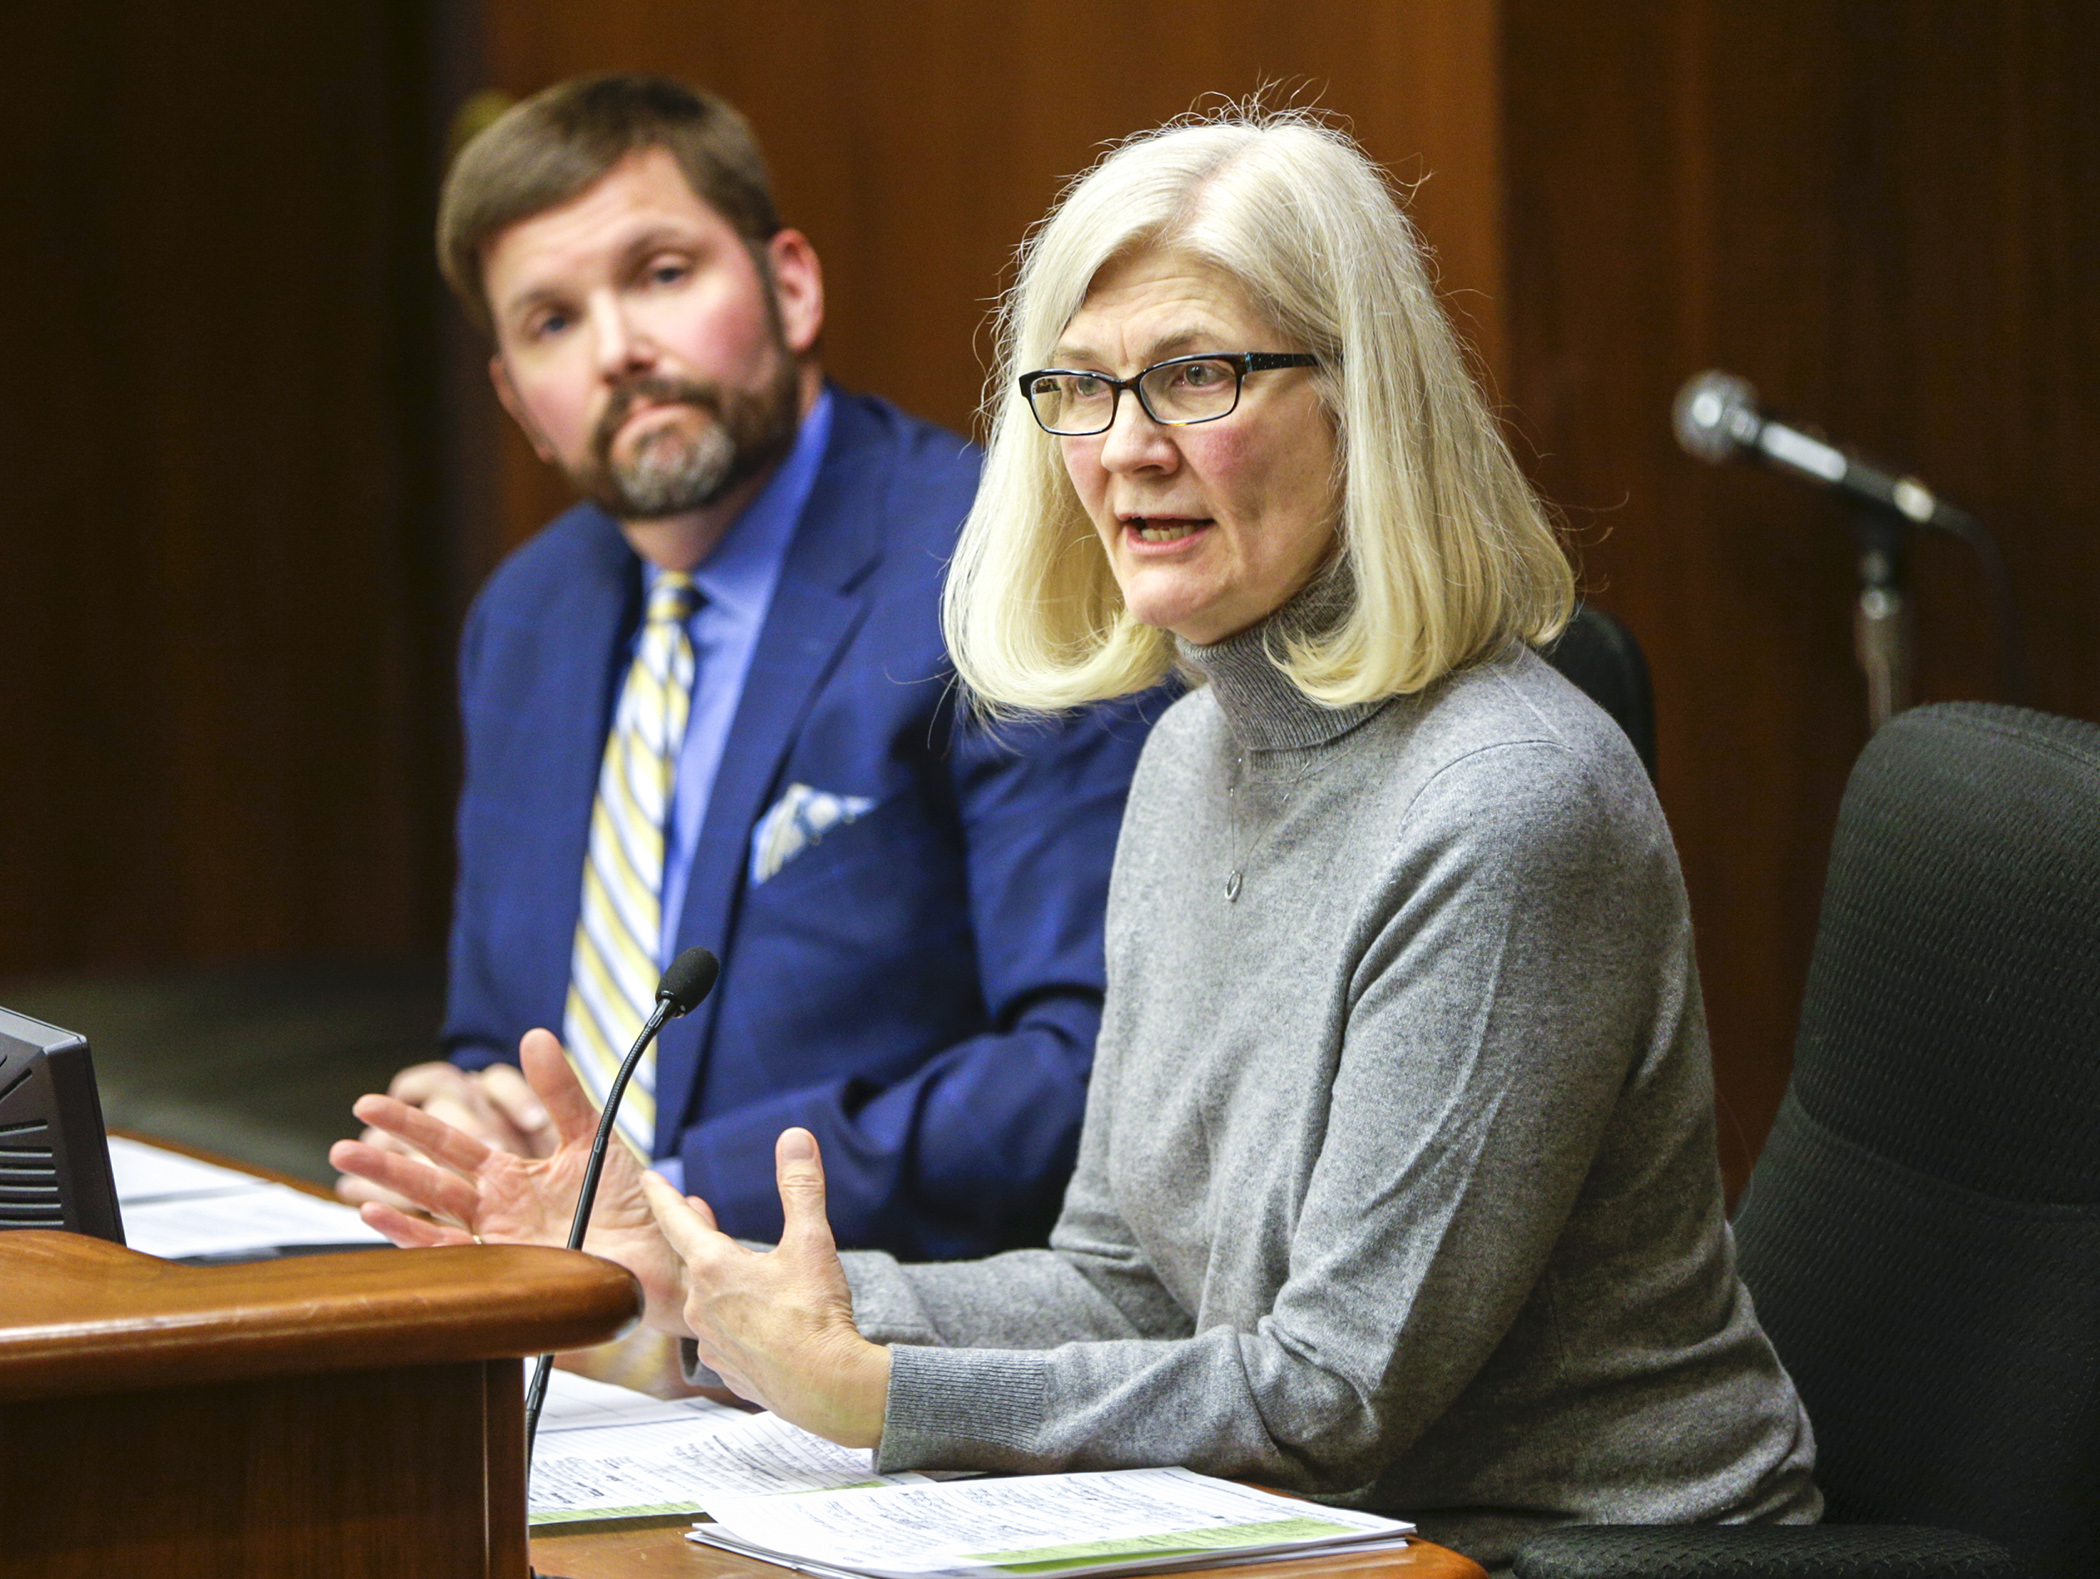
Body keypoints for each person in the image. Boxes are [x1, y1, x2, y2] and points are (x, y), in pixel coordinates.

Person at [335, 108, 1820, 1571]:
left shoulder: (1507, 798)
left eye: (1196, 376)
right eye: (1081, 390)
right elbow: (1119, 1276)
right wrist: (713, 1301)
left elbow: (1336, 1391)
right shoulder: (1188, 748)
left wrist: (882, 1390)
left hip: (1569, 1545)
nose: (1125, 449)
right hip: (1301, 1526)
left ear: (1366, 399)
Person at [337, 75, 1153, 1260]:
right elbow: (500, 1028)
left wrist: (667, 1205)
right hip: (568, 1326)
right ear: (520, 402)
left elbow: (1085, 1062)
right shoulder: (524, 620)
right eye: (552, 322)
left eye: (662, 275)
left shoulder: (994, 566)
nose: (619, 350)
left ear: (790, 285)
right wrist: (471, 1105)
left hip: (875, 1329)